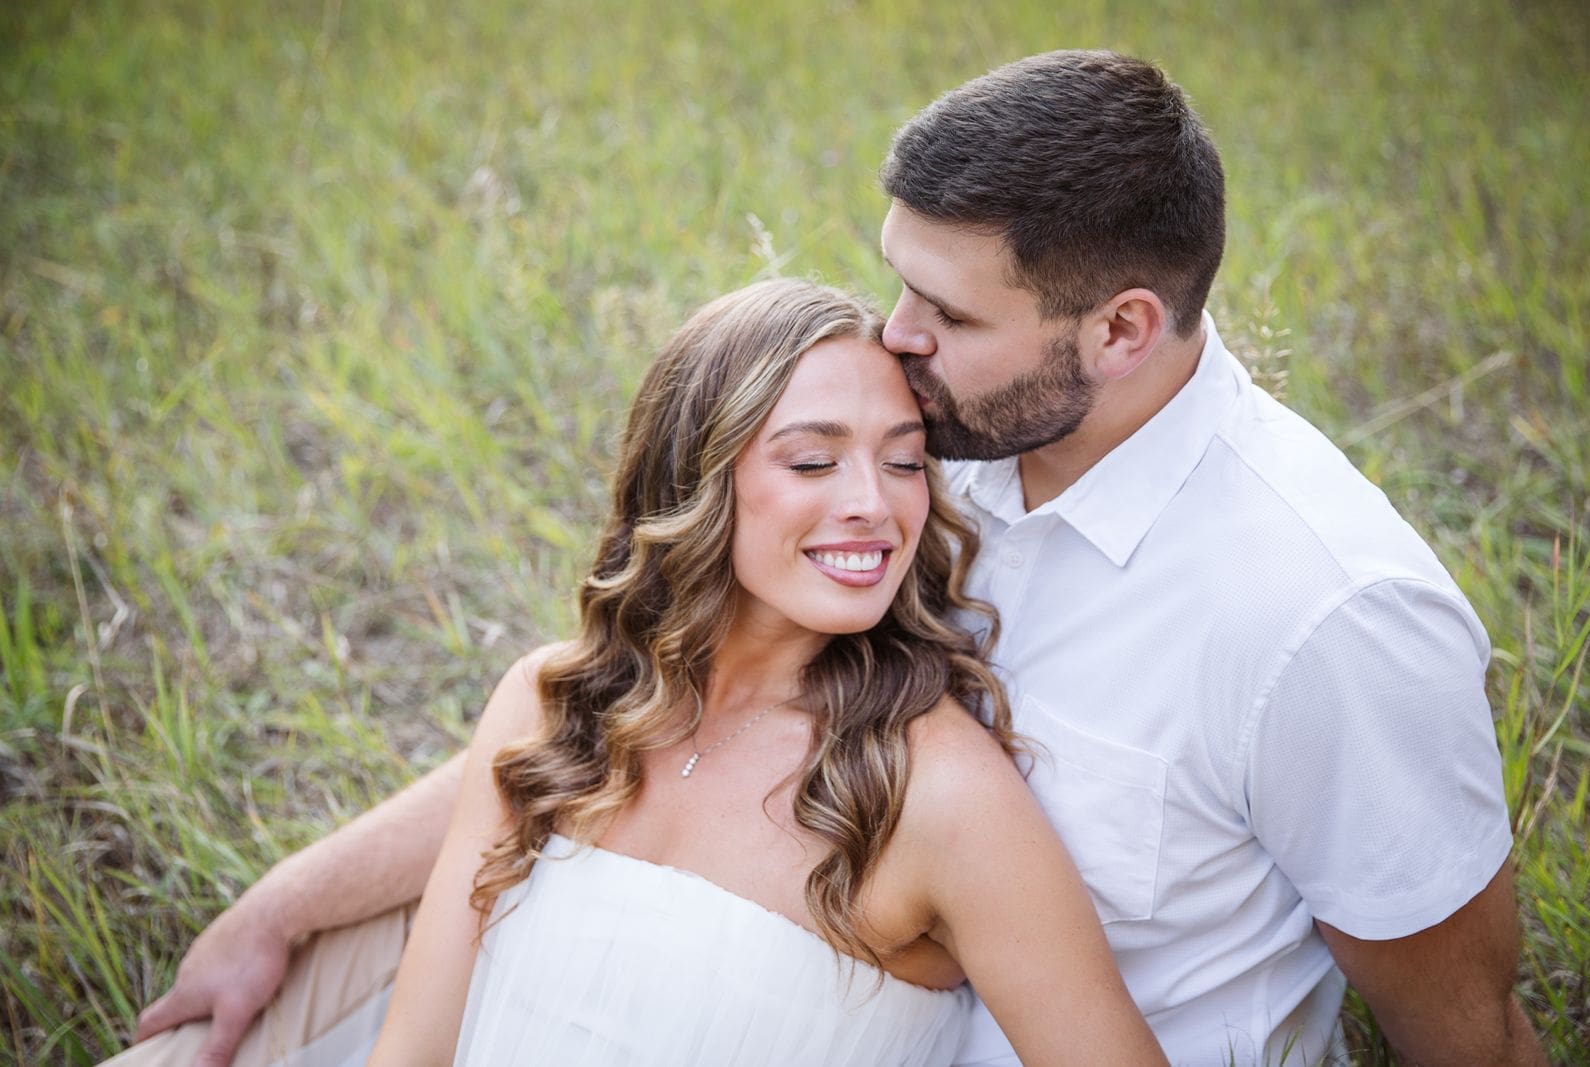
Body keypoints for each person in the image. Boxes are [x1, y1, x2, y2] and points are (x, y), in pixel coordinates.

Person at [119, 51, 1543, 1067]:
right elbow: (612, 714)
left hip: (893, 1006)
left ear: (1117, 331)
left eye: (942, 310)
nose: (895, 341)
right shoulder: (946, 419)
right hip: (670, 916)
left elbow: (1468, 1028)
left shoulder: (1322, 615)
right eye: (896, 280)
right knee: (235, 1016)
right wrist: (278, 906)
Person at [358, 277, 1162, 1065]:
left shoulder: (936, 795)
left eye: (904, 462)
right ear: (695, 477)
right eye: (814, 462)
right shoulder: (553, 704)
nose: (873, 506)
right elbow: (414, 1048)